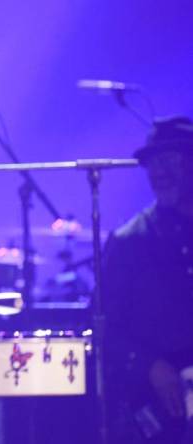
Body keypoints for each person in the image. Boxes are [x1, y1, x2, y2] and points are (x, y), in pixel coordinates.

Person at [103, 116, 193, 444]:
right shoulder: (130, 242)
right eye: (152, 164)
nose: (159, 173)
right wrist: (150, 366)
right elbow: (103, 327)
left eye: (169, 160)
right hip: (161, 414)